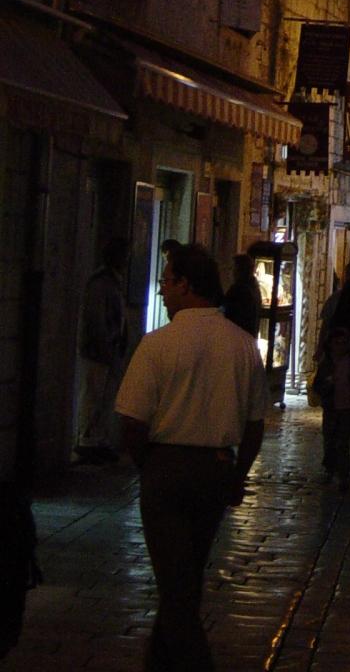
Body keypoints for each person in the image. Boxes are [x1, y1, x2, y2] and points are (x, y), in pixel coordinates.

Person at [115, 244, 268, 671]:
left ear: (185, 285)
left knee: (176, 587)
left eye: (166, 282)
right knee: (185, 576)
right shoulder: (242, 345)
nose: (162, 291)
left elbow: (131, 419)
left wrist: (149, 465)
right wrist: (238, 474)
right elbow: (255, 423)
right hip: (216, 468)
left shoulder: (158, 344)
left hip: (167, 467)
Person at [75, 237, 130, 463]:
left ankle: (97, 439)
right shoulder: (101, 283)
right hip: (99, 351)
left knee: (105, 397)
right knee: (94, 396)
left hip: (109, 349)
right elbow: (97, 319)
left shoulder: (112, 282)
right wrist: (106, 344)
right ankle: (88, 440)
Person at [317, 326, 350, 492]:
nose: (340, 347)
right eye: (337, 343)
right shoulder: (327, 363)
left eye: (343, 343)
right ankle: (329, 468)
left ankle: (343, 474)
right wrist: (328, 383)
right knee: (329, 440)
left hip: (347, 407)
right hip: (331, 407)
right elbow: (318, 385)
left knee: (343, 442)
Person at [222, 252, 261, 336]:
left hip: (236, 336)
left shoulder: (238, 290)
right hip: (250, 338)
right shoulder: (255, 288)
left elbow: (226, 313)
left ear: (238, 270)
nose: (229, 271)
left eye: (231, 268)